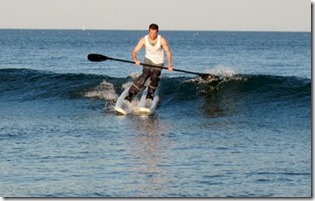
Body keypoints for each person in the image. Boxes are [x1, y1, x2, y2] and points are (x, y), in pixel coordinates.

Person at [125, 23, 173, 102]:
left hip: (159, 61)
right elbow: (134, 51)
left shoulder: (161, 40)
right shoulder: (144, 39)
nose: (153, 35)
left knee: (154, 76)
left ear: (157, 32)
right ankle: (131, 93)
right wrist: (135, 59)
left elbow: (168, 52)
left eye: (154, 33)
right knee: (145, 75)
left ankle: (150, 93)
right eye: (151, 33)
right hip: (148, 59)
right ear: (148, 31)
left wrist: (170, 64)